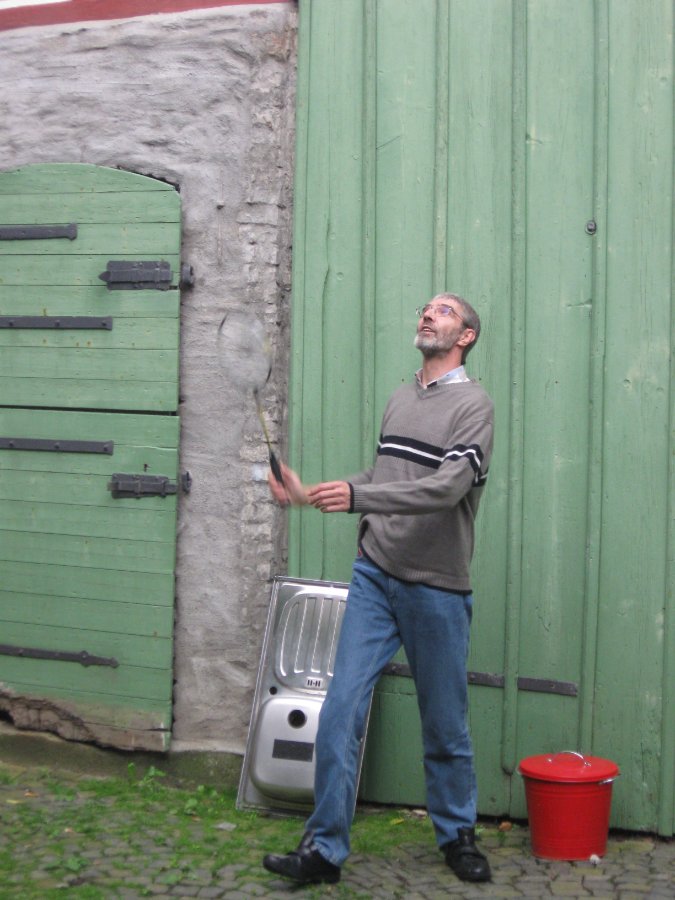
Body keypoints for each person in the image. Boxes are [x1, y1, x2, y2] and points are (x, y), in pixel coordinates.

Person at [263, 292, 494, 885]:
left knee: (444, 723)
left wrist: (359, 497)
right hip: (375, 572)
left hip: (437, 584)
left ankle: (457, 834)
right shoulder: (400, 398)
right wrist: (311, 492)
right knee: (340, 710)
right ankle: (324, 849)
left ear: (466, 335)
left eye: (444, 311)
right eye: (426, 308)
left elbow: (446, 488)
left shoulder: (474, 406)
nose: (428, 314)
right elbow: (383, 476)